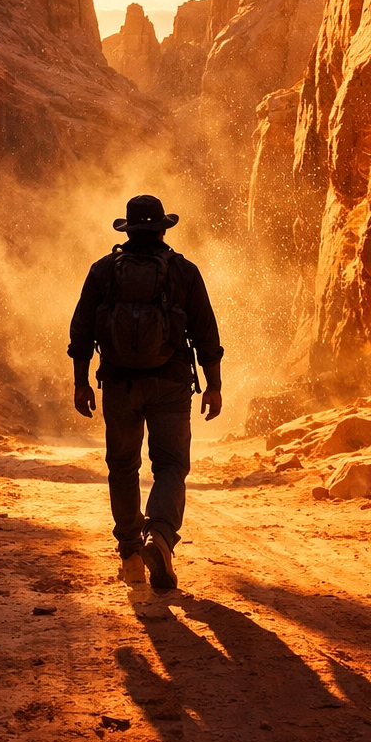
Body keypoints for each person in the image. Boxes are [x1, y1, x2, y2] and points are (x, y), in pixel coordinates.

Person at [68, 194, 223, 592]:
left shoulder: (104, 271)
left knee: (123, 466)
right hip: (171, 383)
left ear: (129, 229)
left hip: (119, 383)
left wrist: (81, 381)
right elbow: (206, 333)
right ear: (162, 229)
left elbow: (81, 331)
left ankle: (132, 556)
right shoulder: (183, 271)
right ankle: (161, 536)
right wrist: (213, 385)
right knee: (170, 464)